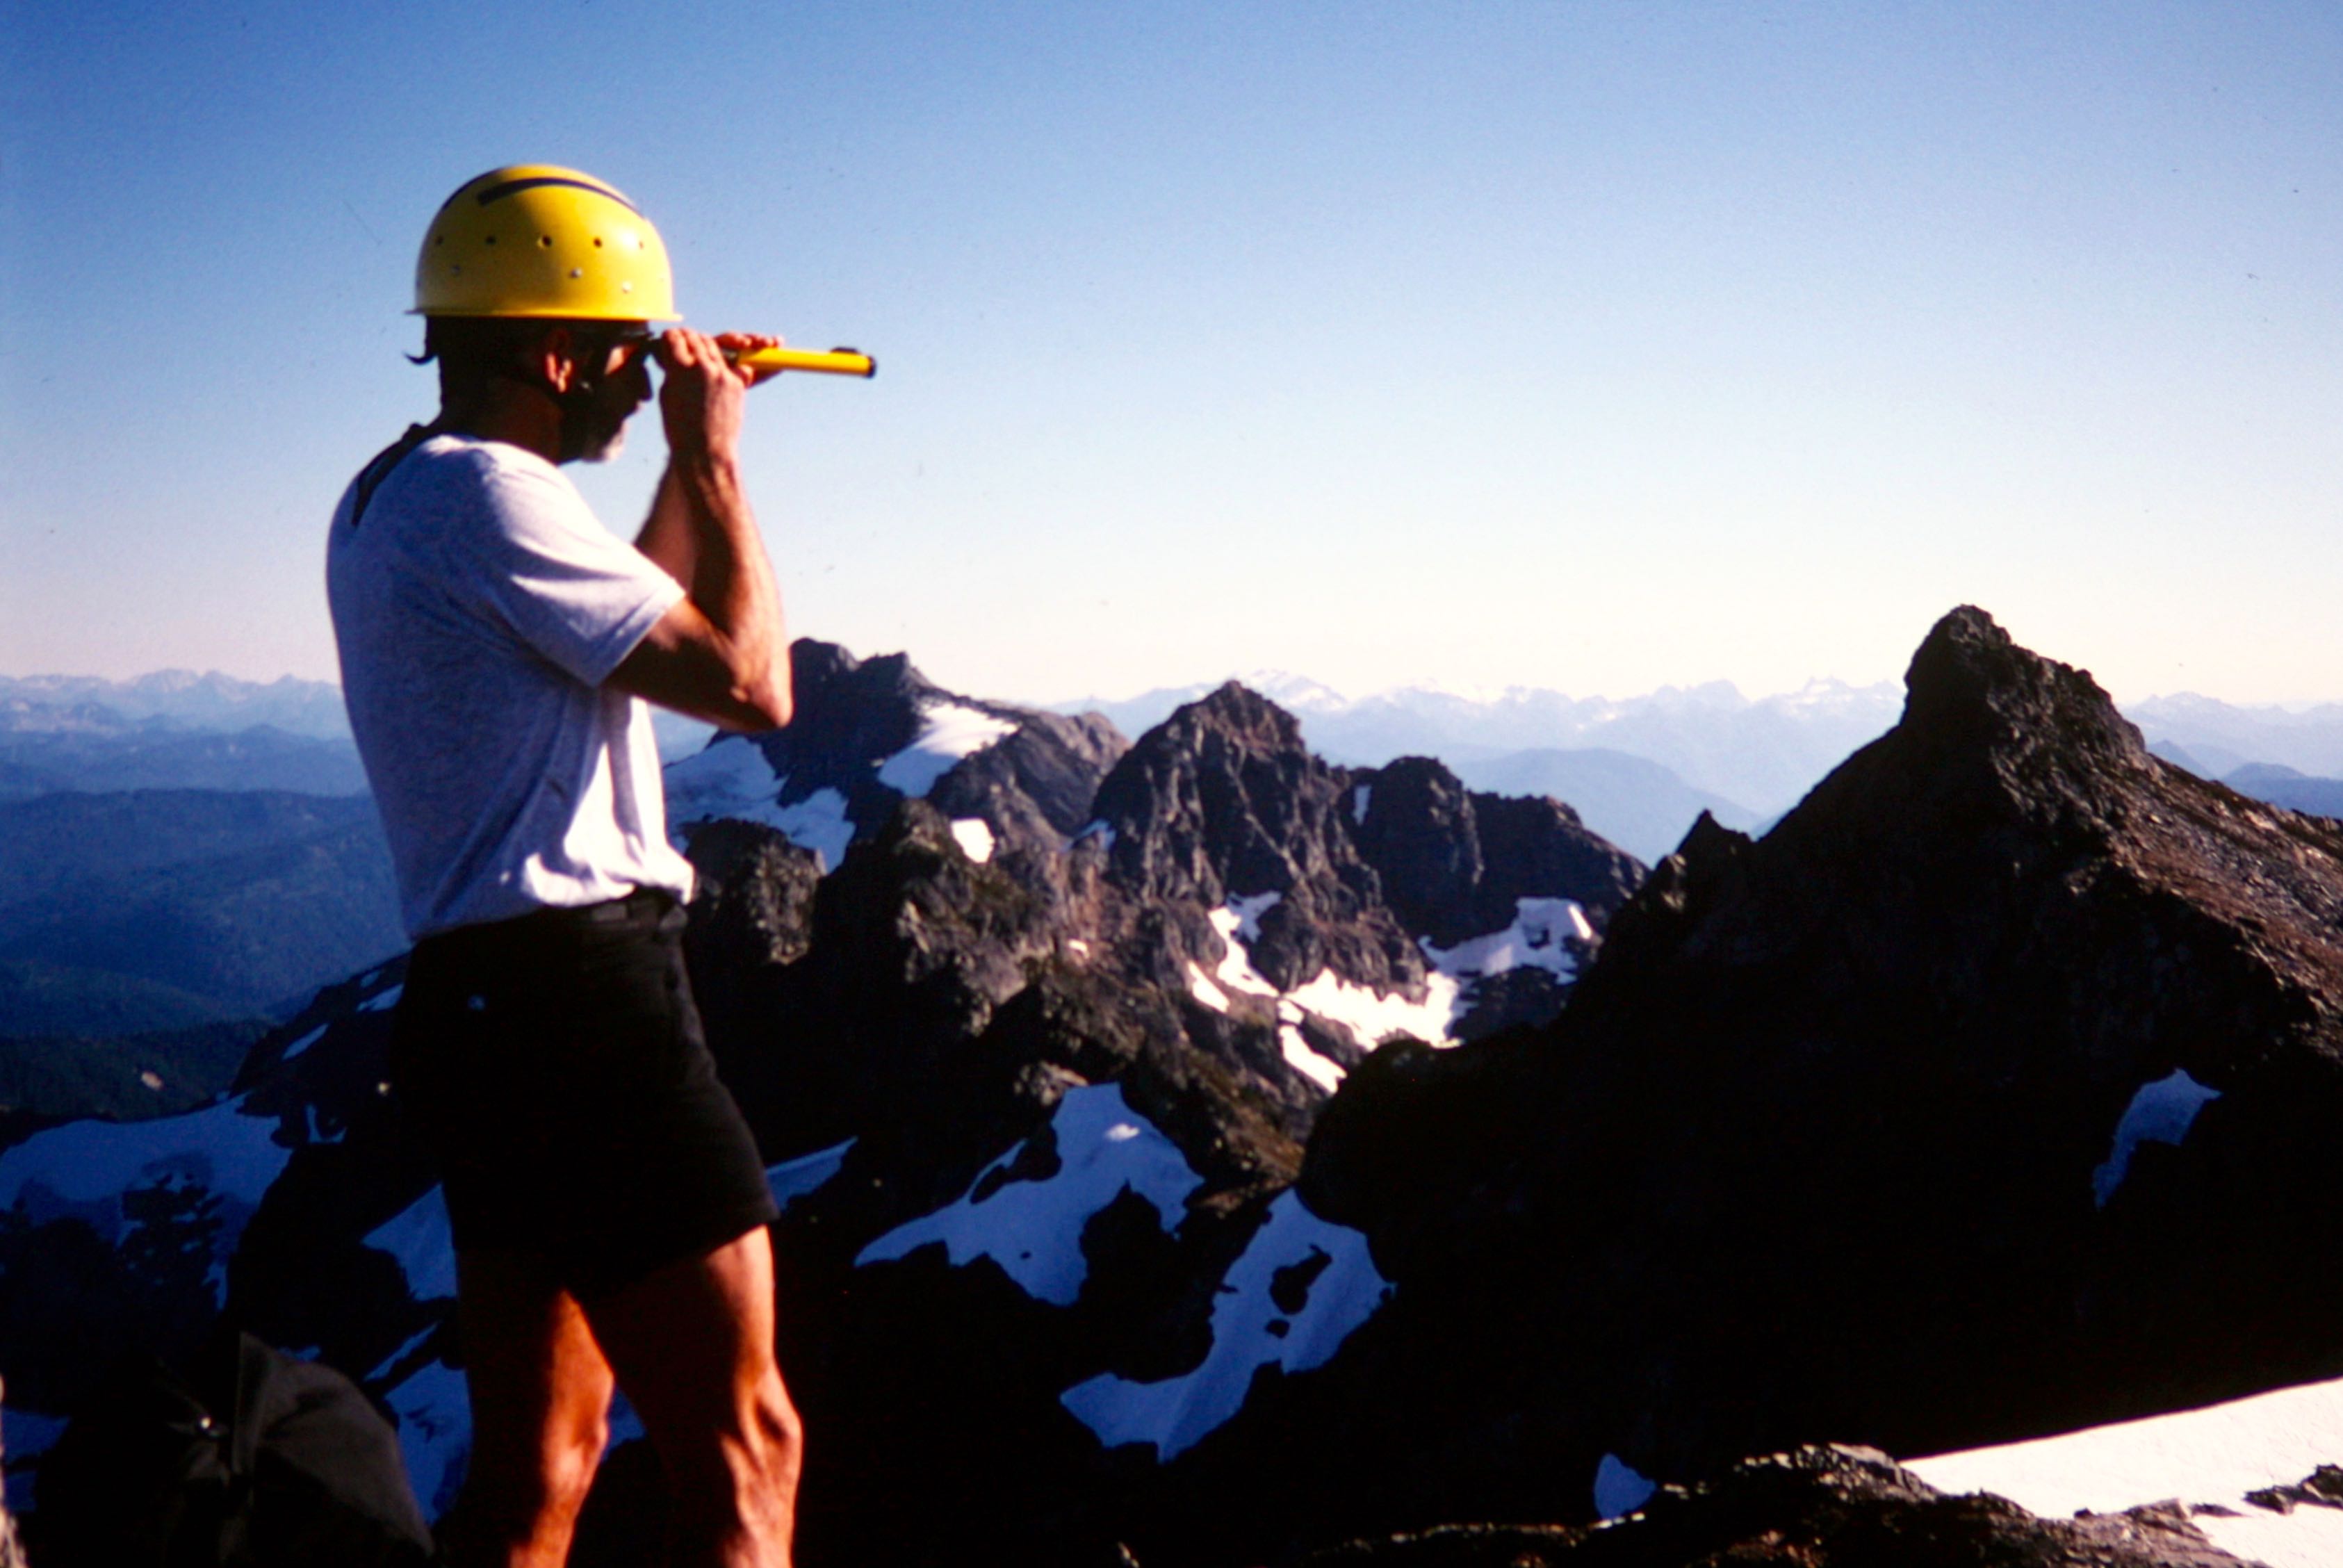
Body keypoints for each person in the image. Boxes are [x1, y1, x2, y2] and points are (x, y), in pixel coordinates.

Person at [327, 165, 801, 1568]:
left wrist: (674, 453)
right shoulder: (492, 502)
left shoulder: (402, 493)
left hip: (483, 1015)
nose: (639, 377)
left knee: (544, 1468)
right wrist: (714, 458)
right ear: (555, 353)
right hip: (592, 1007)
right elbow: (750, 683)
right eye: (624, 352)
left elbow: (626, 623)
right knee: (747, 1449)